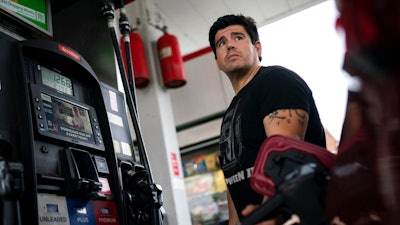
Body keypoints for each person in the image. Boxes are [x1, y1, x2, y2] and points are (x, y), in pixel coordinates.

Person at [208, 14, 327, 225]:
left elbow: (284, 159)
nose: (229, 46)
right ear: (217, 61)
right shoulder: (230, 113)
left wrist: (270, 216)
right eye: (221, 42)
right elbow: (233, 179)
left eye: (238, 38)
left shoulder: (276, 81)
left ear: (258, 48)